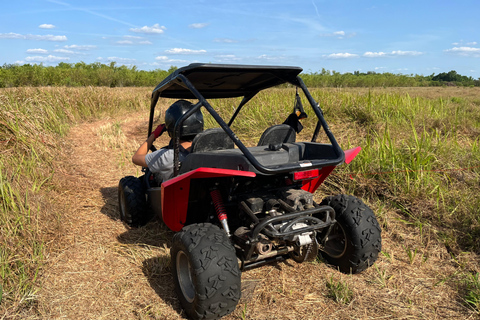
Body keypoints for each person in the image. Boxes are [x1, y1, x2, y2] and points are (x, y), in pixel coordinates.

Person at [132, 100, 204, 182]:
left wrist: (153, 135)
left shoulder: (167, 156)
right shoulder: (209, 153)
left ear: (170, 129)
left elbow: (136, 158)